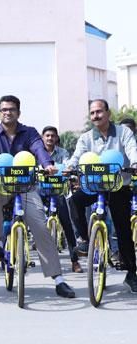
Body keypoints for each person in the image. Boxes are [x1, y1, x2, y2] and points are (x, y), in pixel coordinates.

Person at [0, 95, 75, 298]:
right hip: (3, 185)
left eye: (11, 109)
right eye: (4, 109)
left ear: (18, 112)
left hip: (27, 187)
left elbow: (39, 148)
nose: (7, 112)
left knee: (41, 227)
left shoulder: (29, 132)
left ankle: (58, 279)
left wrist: (47, 164)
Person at [65, 99, 137, 293]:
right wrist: (70, 167)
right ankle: (84, 239)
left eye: (99, 112)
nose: (95, 116)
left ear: (108, 114)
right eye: (92, 113)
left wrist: (135, 163)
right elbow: (77, 155)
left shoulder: (124, 132)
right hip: (94, 185)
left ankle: (132, 274)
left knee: (123, 230)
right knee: (74, 200)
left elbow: (132, 149)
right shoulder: (86, 137)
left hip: (118, 185)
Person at [40, 126, 81, 273]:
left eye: (53, 136)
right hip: (41, 192)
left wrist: (70, 173)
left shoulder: (63, 152)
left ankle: (75, 261)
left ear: (56, 138)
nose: (50, 138)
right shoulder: (37, 152)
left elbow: (67, 165)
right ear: (42, 137)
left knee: (67, 224)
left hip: (58, 191)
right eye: (47, 136)